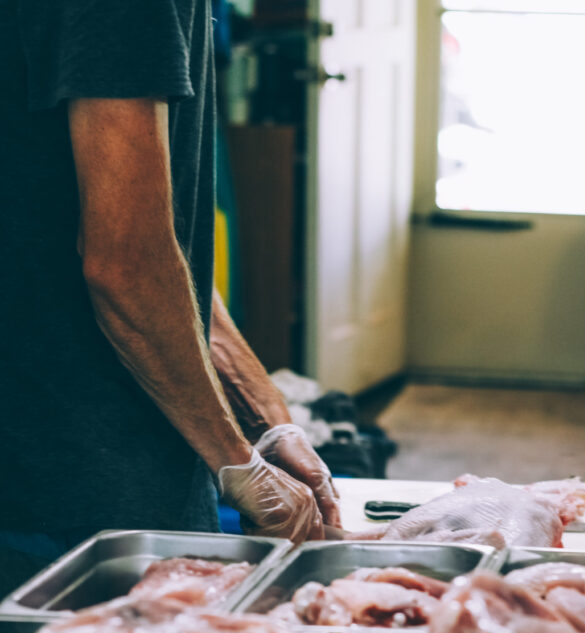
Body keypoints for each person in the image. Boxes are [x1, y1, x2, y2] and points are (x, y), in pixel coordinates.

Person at [0, 0, 341, 600]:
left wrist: (268, 423)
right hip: (69, 481)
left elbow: (162, 243)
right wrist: (236, 459)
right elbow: (126, 263)